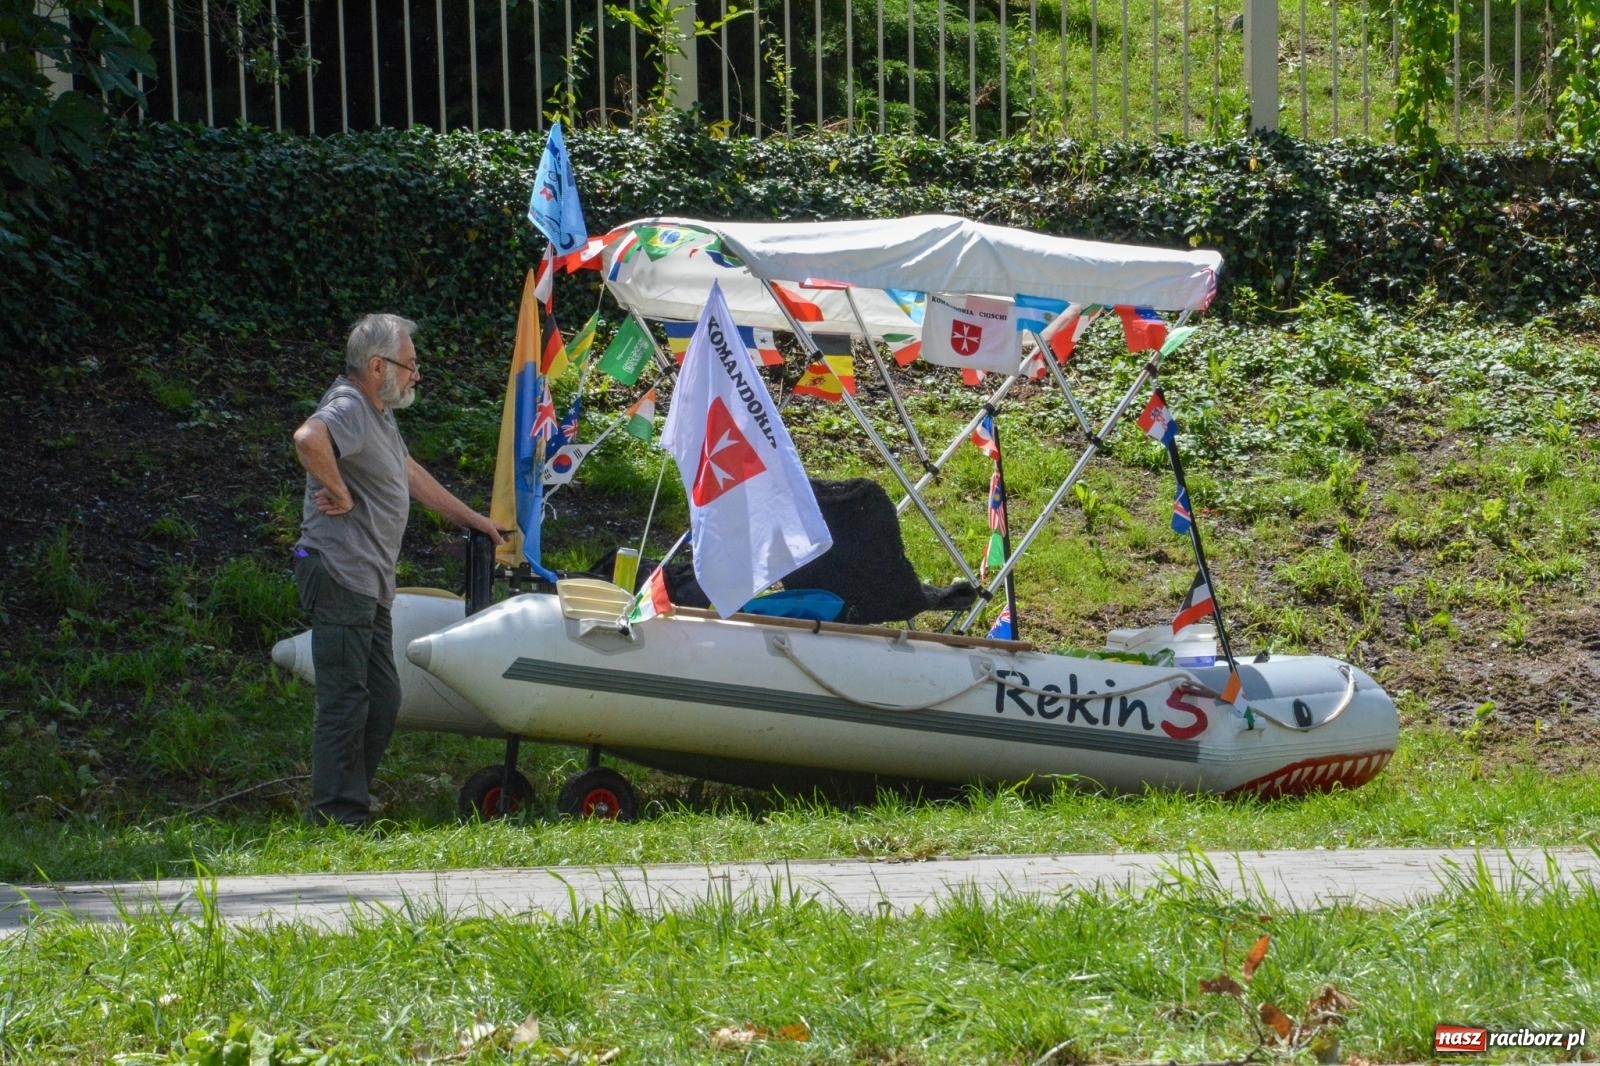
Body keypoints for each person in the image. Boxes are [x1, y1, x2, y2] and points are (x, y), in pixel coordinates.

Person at [291, 313, 503, 827]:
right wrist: (338, 491)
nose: (416, 375)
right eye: (410, 365)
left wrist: (472, 519)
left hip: (369, 580)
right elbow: (307, 438)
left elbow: (409, 474)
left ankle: (349, 803)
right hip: (341, 572)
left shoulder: (378, 412)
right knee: (347, 699)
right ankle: (337, 817)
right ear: (377, 364)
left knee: (382, 699)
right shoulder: (348, 405)